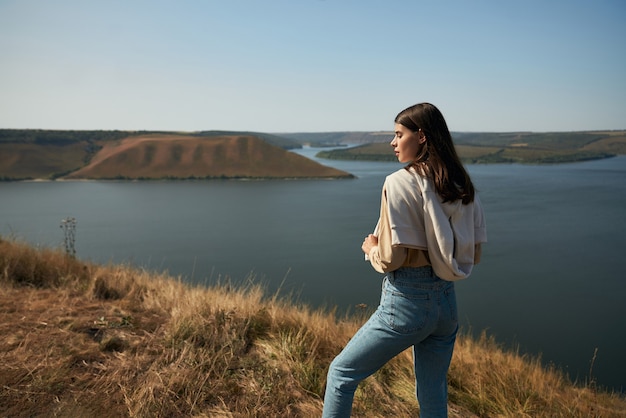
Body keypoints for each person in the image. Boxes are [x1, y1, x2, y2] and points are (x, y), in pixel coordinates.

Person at [322, 103, 487, 418]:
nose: (392, 142)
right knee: (432, 391)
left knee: (341, 374)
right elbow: (474, 254)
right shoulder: (461, 185)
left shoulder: (400, 181)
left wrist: (371, 248)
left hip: (408, 302)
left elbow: (392, 258)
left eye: (399, 134)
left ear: (421, 136)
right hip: (447, 305)